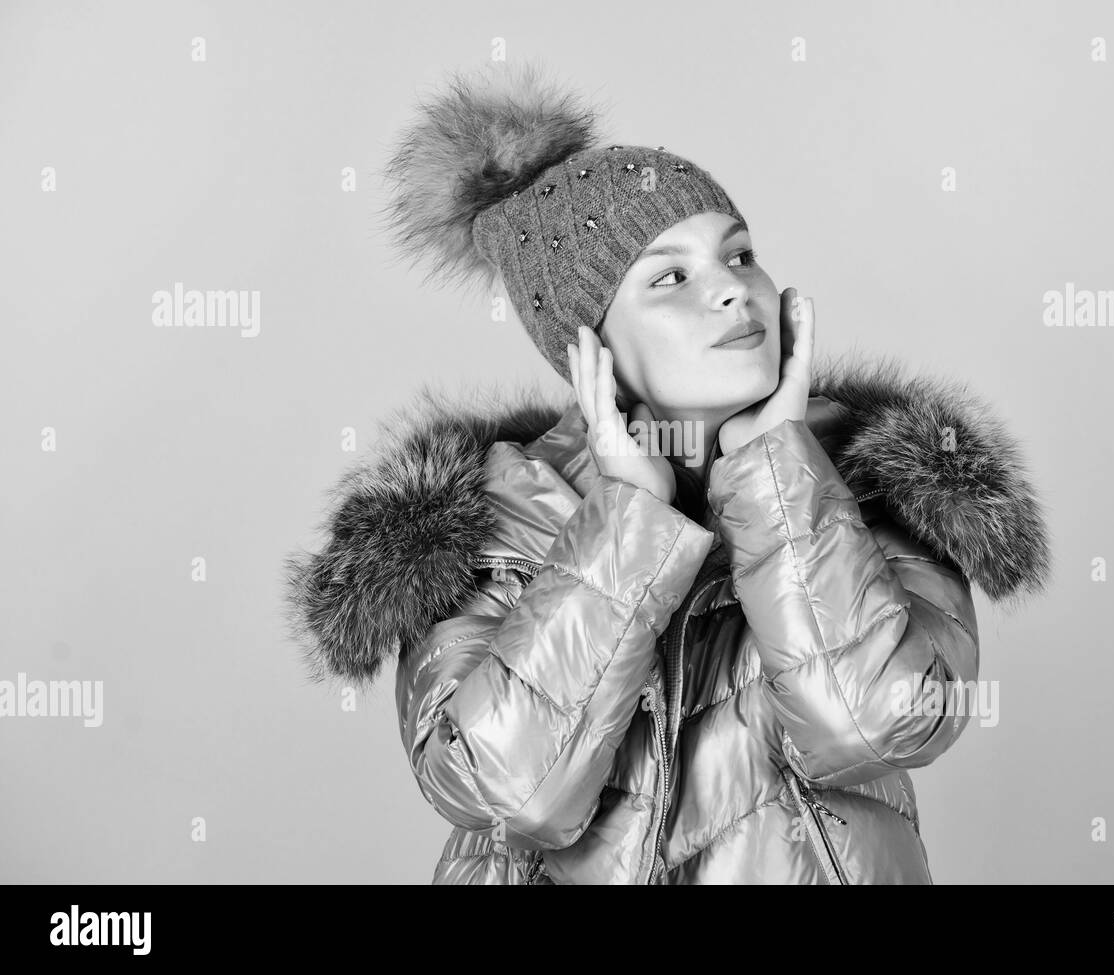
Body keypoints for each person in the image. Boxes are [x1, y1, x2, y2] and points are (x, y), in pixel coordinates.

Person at [283, 61, 1051, 884]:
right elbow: (508, 790)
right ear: (592, 345)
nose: (732, 291)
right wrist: (626, 519)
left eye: (740, 254)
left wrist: (777, 476)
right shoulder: (492, 519)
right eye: (671, 277)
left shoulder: (871, 487)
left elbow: (875, 721)